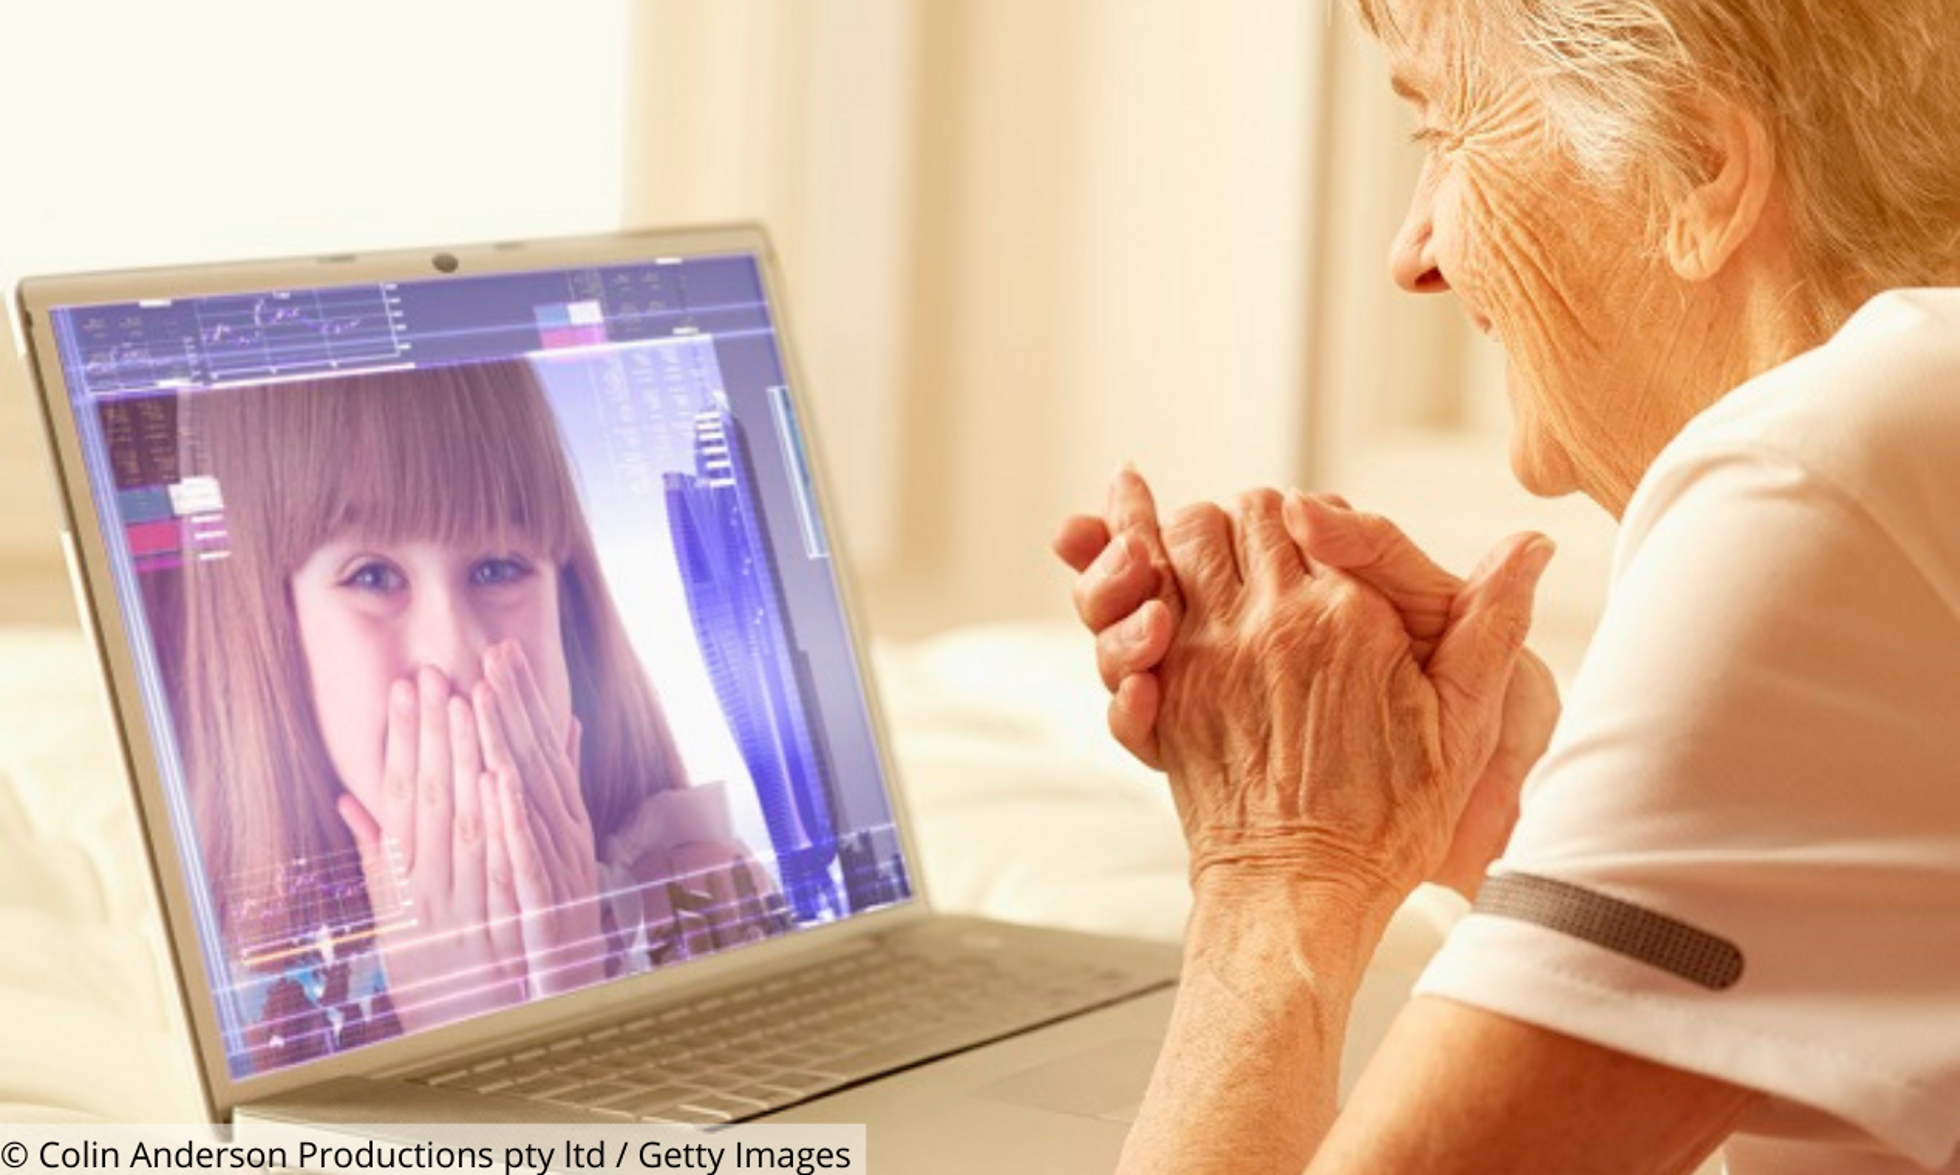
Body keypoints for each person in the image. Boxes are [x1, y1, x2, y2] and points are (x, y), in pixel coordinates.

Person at [1055, 1, 1960, 1171]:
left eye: (1440, 133)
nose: (1413, 251)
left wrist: (1277, 864)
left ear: (1701, 164)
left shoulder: (1822, 467)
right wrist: (1529, 820)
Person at [168, 358, 788, 1069]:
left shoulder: (696, 892)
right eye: (373, 576)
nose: (457, 652)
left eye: (497, 567)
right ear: (273, 637)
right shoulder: (239, 994)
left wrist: (560, 1004)